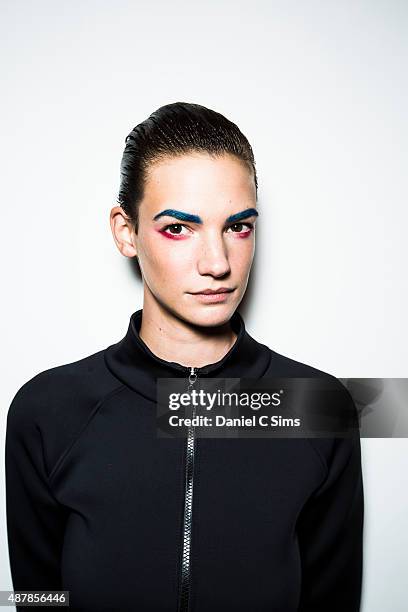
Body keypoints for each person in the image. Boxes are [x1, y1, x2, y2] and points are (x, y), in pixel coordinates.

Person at [5, 102, 364, 611]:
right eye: (178, 228)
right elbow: (37, 598)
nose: (216, 263)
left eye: (238, 226)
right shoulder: (47, 410)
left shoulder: (320, 406)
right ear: (125, 231)